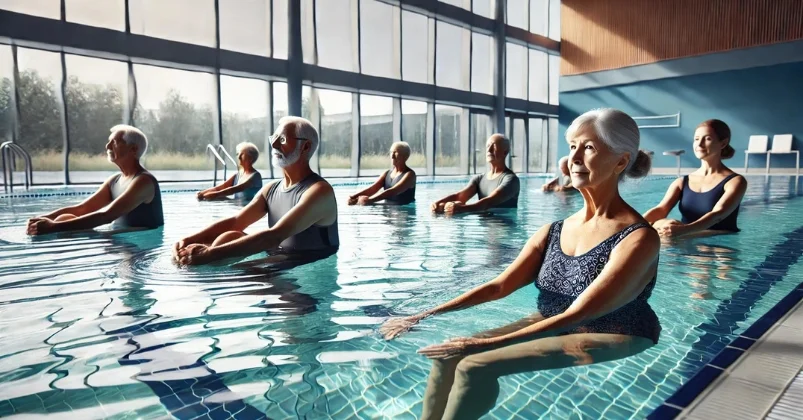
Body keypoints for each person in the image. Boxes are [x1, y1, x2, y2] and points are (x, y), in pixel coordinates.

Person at [380, 108, 661, 420]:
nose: (575, 158)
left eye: (590, 148)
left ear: (621, 161)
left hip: (617, 331)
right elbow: (499, 286)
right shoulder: (553, 231)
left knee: (475, 364)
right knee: (450, 354)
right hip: (553, 320)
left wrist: (482, 343)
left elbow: (580, 313)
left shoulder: (638, 239)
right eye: (572, 147)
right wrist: (421, 315)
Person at [173, 116, 339, 266]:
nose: (274, 145)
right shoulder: (271, 189)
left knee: (227, 266)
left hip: (306, 265)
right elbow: (237, 221)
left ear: (305, 147)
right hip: (278, 255)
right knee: (228, 236)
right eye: (273, 138)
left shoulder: (319, 191)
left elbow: (274, 235)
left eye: (281, 139)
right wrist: (189, 240)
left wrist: (210, 254)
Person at [26, 125, 163, 235]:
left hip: (140, 244)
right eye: (108, 142)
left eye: (114, 142)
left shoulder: (144, 181)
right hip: (118, 237)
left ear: (133, 149)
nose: (107, 147)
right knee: (64, 218)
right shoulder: (114, 181)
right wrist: (44, 218)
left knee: (62, 227)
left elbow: (106, 216)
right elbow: (82, 209)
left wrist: (53, 227)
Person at [643, 119, 747, 238]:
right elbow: (661, 209)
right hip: (686, 237)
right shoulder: (682, 182)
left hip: (720, 242)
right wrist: (634, 225)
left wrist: (683, 231)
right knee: (661, 225)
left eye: (707, 139)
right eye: (696, 139)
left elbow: (718, 215)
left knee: (667, 235)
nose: (699, 144)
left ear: (723, 143)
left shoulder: (735, 181)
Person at [431, 134, 520, 215]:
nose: (489, 150)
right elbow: (460, 196)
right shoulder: (479, 179)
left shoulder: (511, 180)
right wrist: (437, 203)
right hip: (485, 231)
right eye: (488, 146)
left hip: (506, 230)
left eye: (494, 146)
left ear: (505, 152)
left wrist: (461, 209)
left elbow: (488, 202)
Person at [347, 141, 416, 206]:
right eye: (391, 152)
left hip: (405, 211)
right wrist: (354, 197)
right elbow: (372, 189)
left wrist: (370, 200)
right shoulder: (387, 173)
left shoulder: (410, 175)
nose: (392, 156)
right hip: (388, 211)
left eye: (395, 152)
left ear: (405, 156)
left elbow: (393, 191)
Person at [196, 142, 263, 201]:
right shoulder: (238, 174)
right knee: (213, 198)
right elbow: (219, 188)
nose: (239, 157)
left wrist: (215, 194)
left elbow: (236, 189)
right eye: (238, 154)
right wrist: (202, 193)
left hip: (250, 207)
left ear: (250, 158)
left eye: (242, 154)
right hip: (237, 204)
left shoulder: (255, 176)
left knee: (216, 196)